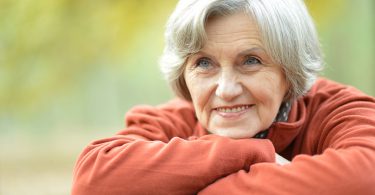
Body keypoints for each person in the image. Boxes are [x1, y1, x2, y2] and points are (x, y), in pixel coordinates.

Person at [71, 0, 375, 194]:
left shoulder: (339, 110)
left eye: (251, 61)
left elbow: (366, 176)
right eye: (204, 64)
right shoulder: (169, 121)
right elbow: (92, 181)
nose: (226, 89)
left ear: (289, 69)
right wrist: (256, 153)